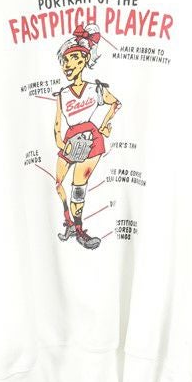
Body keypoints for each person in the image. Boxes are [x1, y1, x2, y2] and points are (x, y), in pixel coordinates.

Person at [53, 24, 122, 249]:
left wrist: (104, 125)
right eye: (64, 60)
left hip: (91, 140)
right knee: (58, 183)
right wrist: (61, 144)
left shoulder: (95, 89)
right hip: (70, 141)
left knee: (78, 186)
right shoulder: (62, 94)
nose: (67, 65)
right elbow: (57, 124)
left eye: (73, 59)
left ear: (84, 60)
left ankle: (80, 230)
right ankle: (69, 222)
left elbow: (115, 103)